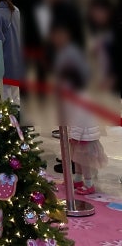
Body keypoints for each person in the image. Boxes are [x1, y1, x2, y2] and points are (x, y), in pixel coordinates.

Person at [51, 15, 107, 195]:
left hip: (84, 136)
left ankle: (88, 183)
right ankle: (77, 179)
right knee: (77, 159)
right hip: (78, 134)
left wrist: (73, 134)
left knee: (84, 162)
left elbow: (81, 118)